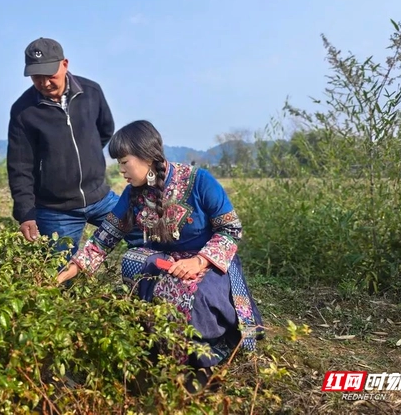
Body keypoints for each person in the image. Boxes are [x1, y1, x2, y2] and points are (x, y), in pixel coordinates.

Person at [57, 120, 264, 375]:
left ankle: (204, 352)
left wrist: (199, 262)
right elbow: (104, 238)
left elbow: (231, 230)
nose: (121, 170)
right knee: (133, 258)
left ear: (146, 156)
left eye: (124, 162)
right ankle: (156, 344)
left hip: (208, 262)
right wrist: (73, 268)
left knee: (190, 289)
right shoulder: (132, 194)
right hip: (167, 261)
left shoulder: (199, 181)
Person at [7, 37, 126, 257]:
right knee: (59, 276)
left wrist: (85, 155)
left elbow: (106, 129)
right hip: (56, 211)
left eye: (50, 75)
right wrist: (26, 213)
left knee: (144, 235)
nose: (44, 83)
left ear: (65, 64)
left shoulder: (91, 92)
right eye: (36, 77)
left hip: (100, 197)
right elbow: (19, 166)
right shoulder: (23, 111)